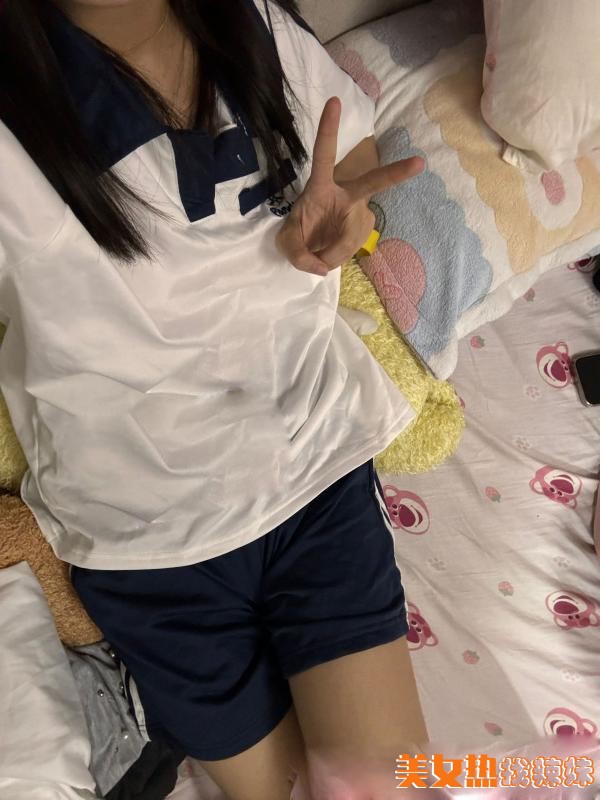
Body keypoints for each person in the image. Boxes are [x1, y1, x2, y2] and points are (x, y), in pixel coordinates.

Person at [0, 1, 428, 797]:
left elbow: (351, 157)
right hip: (149, 543)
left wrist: (349, 223)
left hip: (312, 473)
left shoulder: (257, 25)